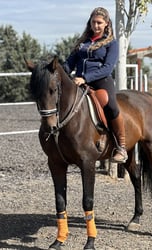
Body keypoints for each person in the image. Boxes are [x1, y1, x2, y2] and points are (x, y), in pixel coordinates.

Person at [63, 7, 127, 163]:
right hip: (78, 80)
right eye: (93, 22)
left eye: (99, 22)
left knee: (111, 105)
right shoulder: (82, 43)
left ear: (106, 24)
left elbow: (107, 68)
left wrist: (85, 78)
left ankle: (121, 146)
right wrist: (60, 70)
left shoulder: (111, 43)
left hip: (101, 79)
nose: (96, 25)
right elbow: (69, 64)